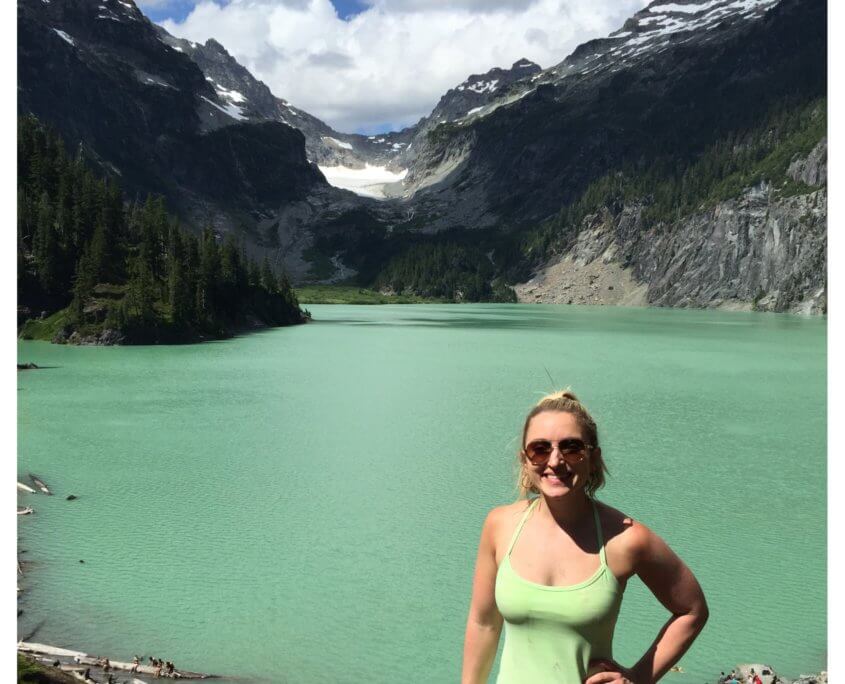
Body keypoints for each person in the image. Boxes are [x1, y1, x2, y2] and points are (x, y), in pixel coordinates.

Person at [462, 390, 709, 683]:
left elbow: (692, 611)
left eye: (571, 448)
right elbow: (484, 624)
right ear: (525, 460)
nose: (555, 461)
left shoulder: (626, 539)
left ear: (593, 458)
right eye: (539, 449)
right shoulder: (500, 525)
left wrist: (638, 679)